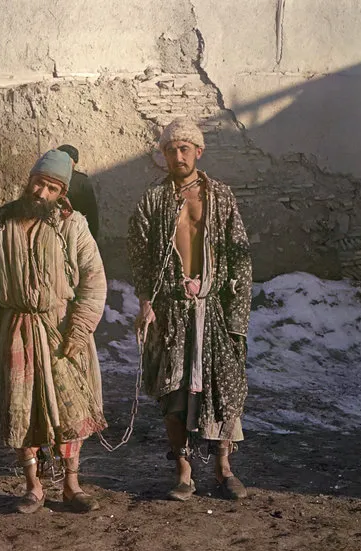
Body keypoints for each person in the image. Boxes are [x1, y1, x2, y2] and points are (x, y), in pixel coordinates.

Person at [0, 149, 107, 514]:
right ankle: (33, 487)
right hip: (16, 329)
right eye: (38, 183)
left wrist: (79, 330)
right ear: (28, 181)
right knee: (23, 410)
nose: (42, 193)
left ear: (61, 192)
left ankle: (71, 485)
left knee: (70, 410)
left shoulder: (71, 225)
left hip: (61, 328)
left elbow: (94, 280)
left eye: (51, 188)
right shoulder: (0, 225)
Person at [127, 118, 252, 501]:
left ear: (199, 151)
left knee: (223, 389)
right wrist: (147, 302)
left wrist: (237, 315)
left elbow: (240, 256)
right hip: (171, 310)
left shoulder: (221, 197)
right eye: (170, 150)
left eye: (184, 149)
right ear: (162, 155)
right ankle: (183, 472)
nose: (177, 156)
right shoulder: (153, 200)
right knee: (173, 392)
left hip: (214, 307)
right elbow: (141, 257)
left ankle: (224, 468)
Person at [57, 144, 99, 240]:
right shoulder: (49, 178)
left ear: (74, 163)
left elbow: (92, 213)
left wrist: (92, 238)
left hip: (75, 232)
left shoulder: (82, 181)